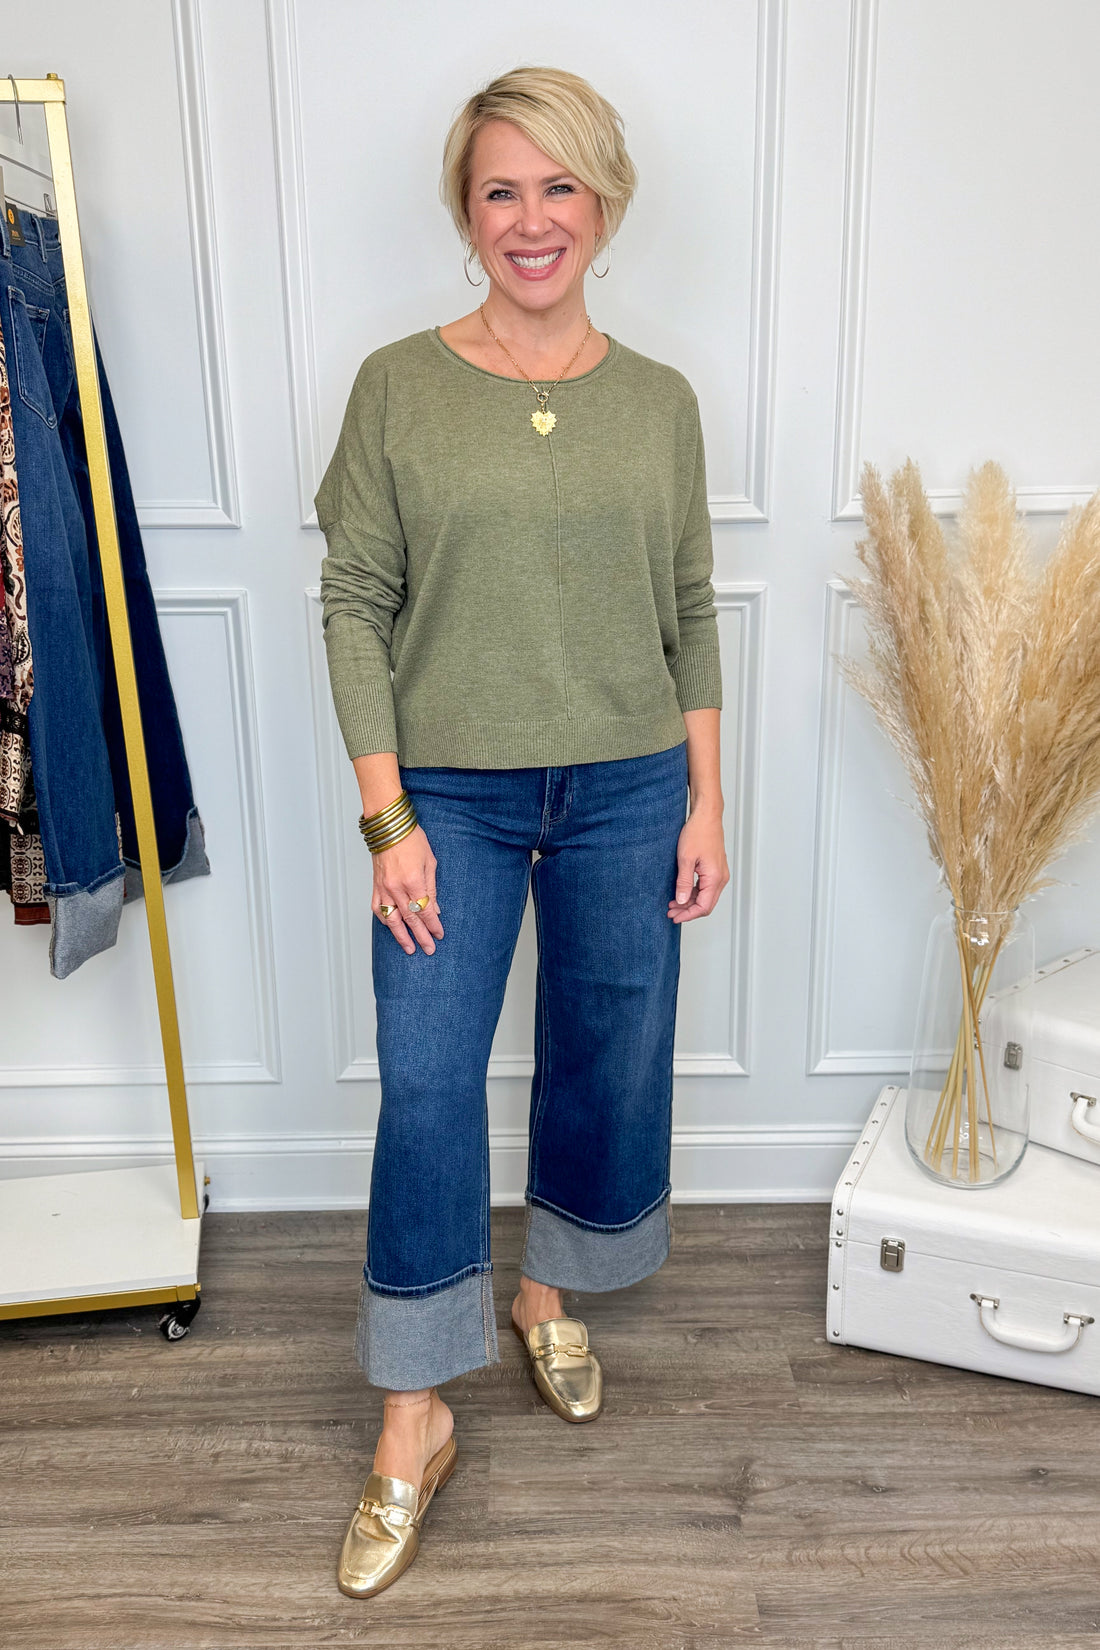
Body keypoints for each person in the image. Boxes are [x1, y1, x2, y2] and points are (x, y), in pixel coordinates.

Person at [316, 64, 729, 1598]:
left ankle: (548, 1291)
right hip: (453, 799)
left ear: (604, 206)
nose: (532, 218)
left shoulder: (661, 403)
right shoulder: (397, 387)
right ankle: (412, 1416)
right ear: (467, 210)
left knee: (605, 1048)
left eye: (560, 187)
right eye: (502, 188)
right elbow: (354, 601)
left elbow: (690, 609)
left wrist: (706, 796)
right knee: (428, 1080)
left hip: (630, 782)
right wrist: (389, 817)